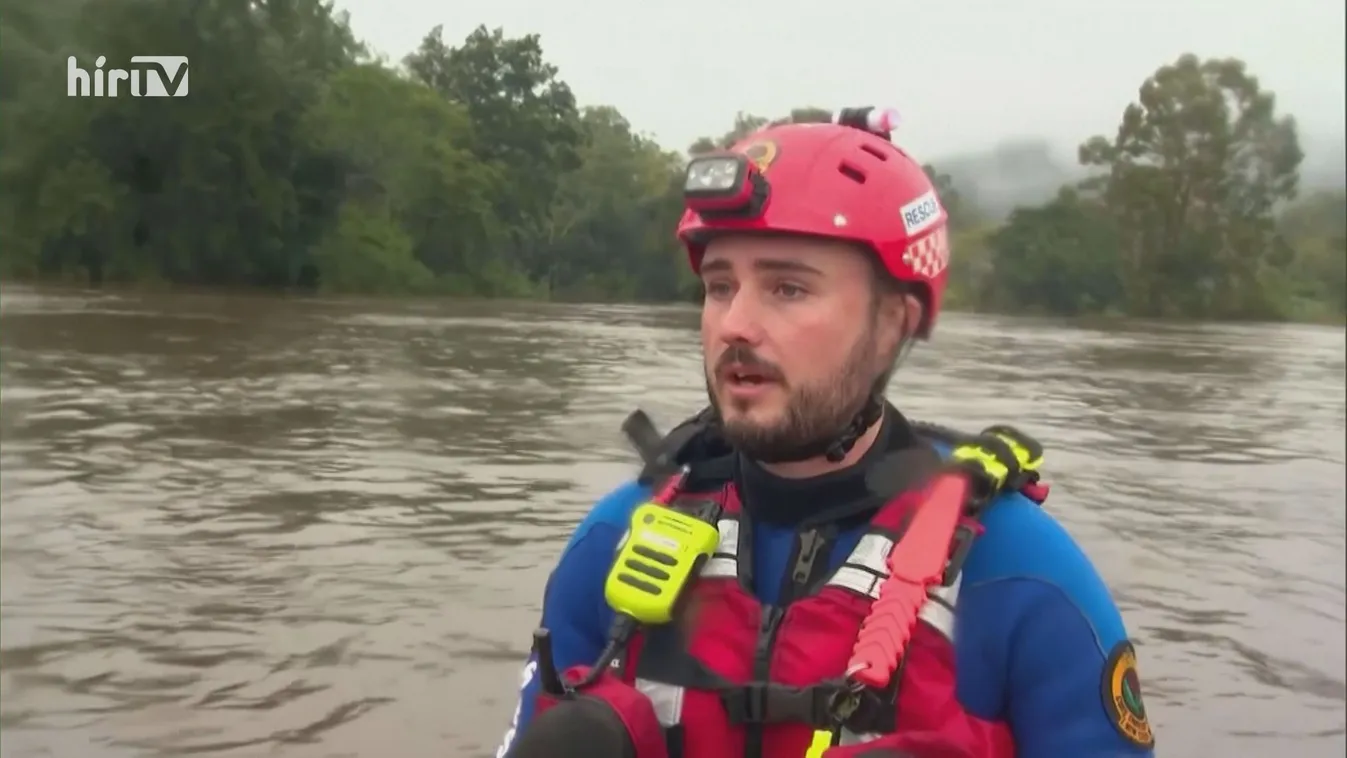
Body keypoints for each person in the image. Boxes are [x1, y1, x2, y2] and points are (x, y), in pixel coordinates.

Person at [495, 107, 1156, 758]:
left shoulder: (1020, 572)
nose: (735, 324)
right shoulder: (613, 538)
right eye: (720, 286)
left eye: (787, 289)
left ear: (892, 324)